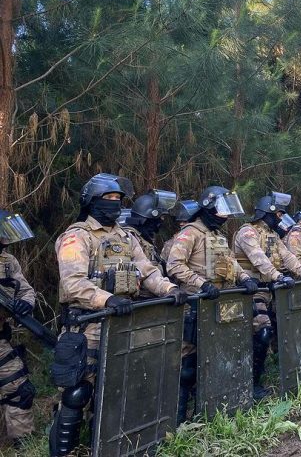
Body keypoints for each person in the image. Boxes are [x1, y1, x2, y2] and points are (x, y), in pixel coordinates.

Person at [51, 174, 187, 457]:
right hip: (88, 326)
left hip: (124, 323)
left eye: (118, 200)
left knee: (118, 389)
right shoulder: (77, 236)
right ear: (92, 202)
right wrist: (107, 299)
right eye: (108, 199)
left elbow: (147, 270)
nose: (114, 204)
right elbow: (73, 282)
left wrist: (169, 288)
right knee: (78, 394)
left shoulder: (126, 237)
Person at [164, 185, 259, 423]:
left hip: (219, 305)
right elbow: (174, 265)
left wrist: (246, 279)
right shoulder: (190, 233)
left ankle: (216, 411)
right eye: (221, 210)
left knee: (220, 356)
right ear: (208, 207)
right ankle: (177, 421)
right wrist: (201, 284)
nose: (225, 216)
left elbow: (231, 263)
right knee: (187, 366)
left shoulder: (217, 235)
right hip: (195, 306)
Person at [233, 191, 301, 399]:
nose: (280, 218)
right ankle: (251, 384)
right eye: (278, 214)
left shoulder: (272, 235)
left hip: (270, 290)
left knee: (276, 332)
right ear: (266, 213)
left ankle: (266, 374)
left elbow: (287, 256)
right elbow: (258, 257)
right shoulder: (248, 232)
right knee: (261, 333)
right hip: (251, 291)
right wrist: (278, 276)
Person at [0, 211, 37, 449]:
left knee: (19, 389)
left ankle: (23, 443)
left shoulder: (7, 261)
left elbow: (25, 289)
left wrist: (26, 303)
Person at [119, 189, 178, 293]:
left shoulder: (144, 239)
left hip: (154, 295)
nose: (161, 221)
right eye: (161, 217)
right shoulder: (129, 238)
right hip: (139, 300)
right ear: (151, 216)